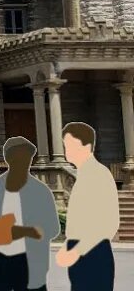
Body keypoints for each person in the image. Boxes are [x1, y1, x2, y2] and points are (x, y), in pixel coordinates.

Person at [0, 137, 60, 290]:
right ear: (8, 158)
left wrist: (27, 231)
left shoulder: (40, 192)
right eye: (19, 156)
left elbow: (53, 229)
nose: (24, 161)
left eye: (28, 157)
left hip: (31, 262)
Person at [55, 122, 118, 290]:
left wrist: (76, 251)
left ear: (87, 146)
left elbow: (108, 223)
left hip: (93, 253)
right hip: (81, 251)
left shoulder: (98, 175)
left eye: (69, 145)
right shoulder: (83, 175)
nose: (66, 150)